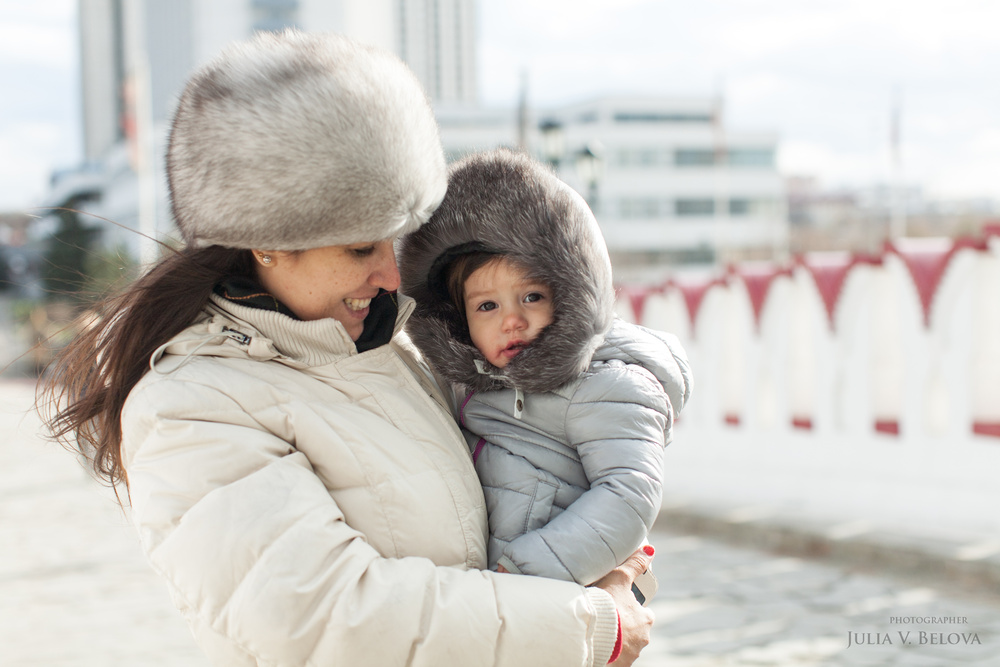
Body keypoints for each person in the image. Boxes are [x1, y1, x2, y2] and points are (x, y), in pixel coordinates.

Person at [40, 30, 656, 666]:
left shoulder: (396, 356)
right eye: (361, 247)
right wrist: (588, 627)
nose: (391, 275)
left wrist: (609, 563)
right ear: (266, 241)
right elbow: (326, 619)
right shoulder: (191, 407)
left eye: (396, 242)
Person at [398, 149, 692, 594]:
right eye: (487, 306)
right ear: (458, 319)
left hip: (557, 589)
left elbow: (630, 494)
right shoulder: (474, 386)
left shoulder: (607, 384)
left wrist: (525, 571)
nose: (511, 320)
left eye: (531, 297)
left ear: (571, 292)